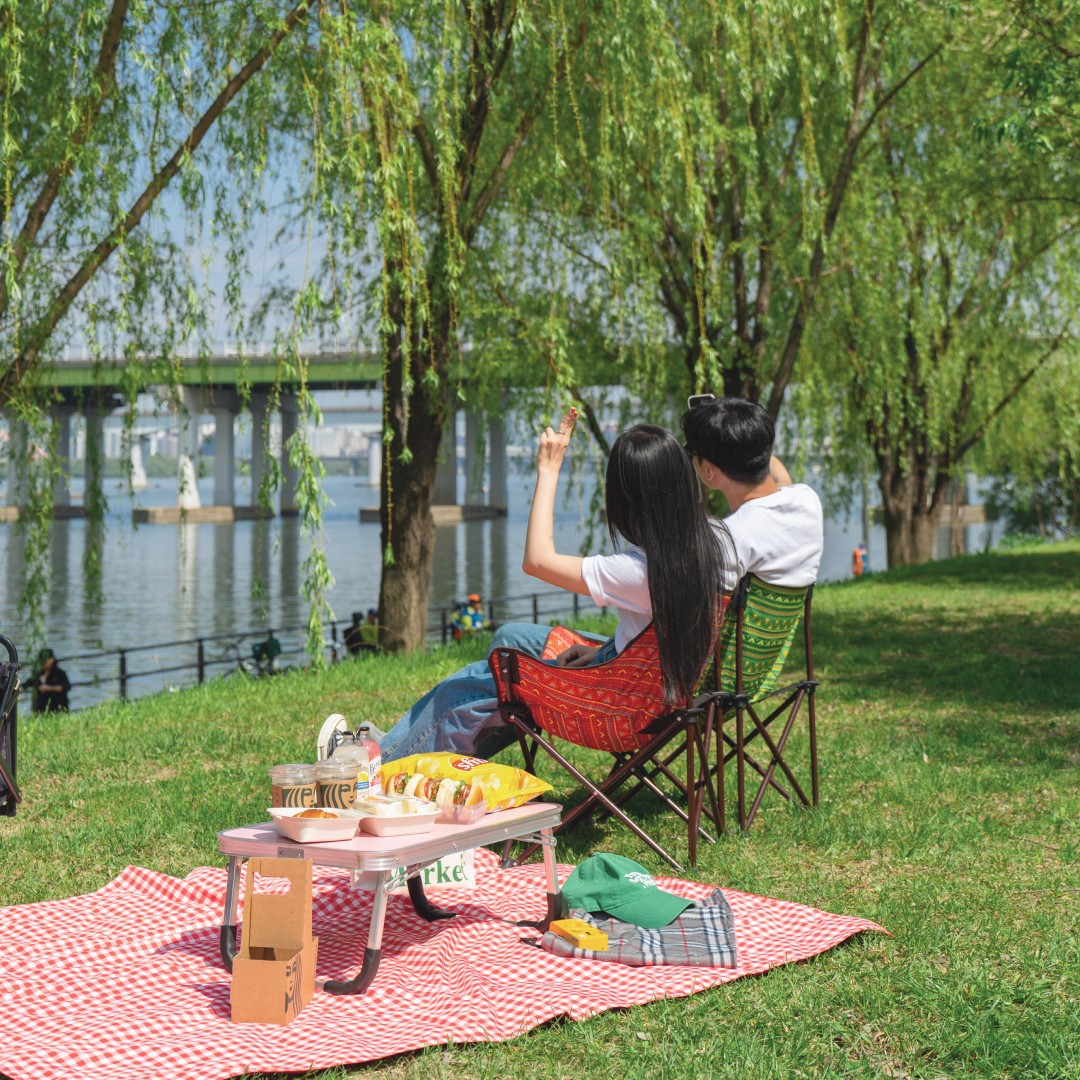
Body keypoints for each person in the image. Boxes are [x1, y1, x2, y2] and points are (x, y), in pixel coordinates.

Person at [378, 409, 726, 764]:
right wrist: (609, 652)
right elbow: (655, 634)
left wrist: (548, 469)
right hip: (652, 691)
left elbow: (536, 561)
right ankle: (445, 751)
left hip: (619, 711)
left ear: (626, 500)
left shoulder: (639, 572)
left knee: (474, 683)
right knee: (511, 636)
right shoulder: (711, 544)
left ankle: (382, 761)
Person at [681, 395, 824, 591]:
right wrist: (742, 433)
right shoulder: (808, 500)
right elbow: (782, 479)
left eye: (692, 454)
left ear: (709, 470)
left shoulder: (728, 539)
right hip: (788, 623)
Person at [32, 648, 71, 714]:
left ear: (52, 660)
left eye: (45, 661)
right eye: (42, 661)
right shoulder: (37, 673)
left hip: (57, 707)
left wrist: (49, 688)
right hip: (40, 709)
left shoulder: (60, 673)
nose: (43, 663)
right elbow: (29, 682)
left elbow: (66, 687)